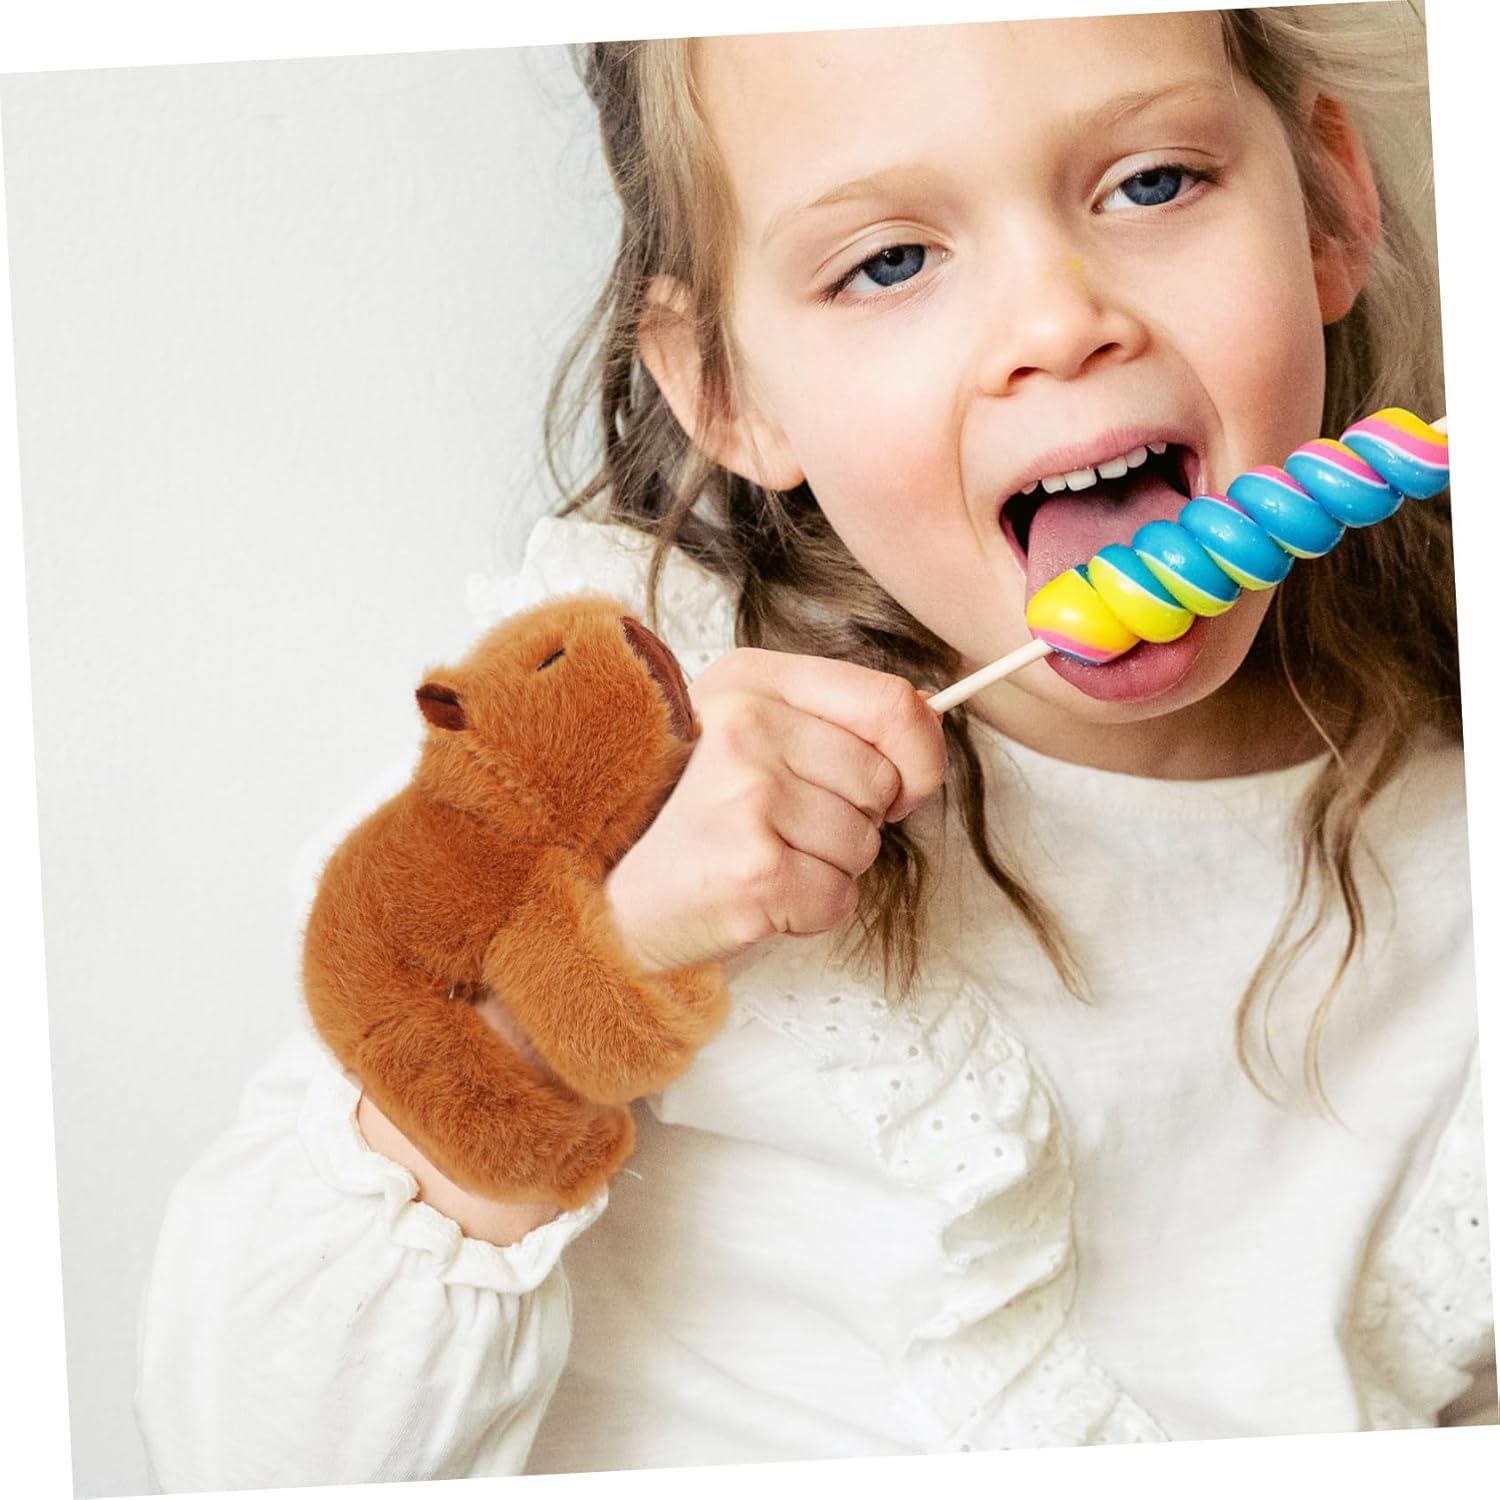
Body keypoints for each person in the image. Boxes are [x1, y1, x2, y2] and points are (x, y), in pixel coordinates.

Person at [134, 6, 1494, 1489]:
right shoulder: (612, 746)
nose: (1061, 323)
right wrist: (600, 960)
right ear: (726, 389)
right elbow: (244, 1453)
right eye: (890, 262)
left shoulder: (1452, 796)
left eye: (1153, 183)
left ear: (1330, 205)